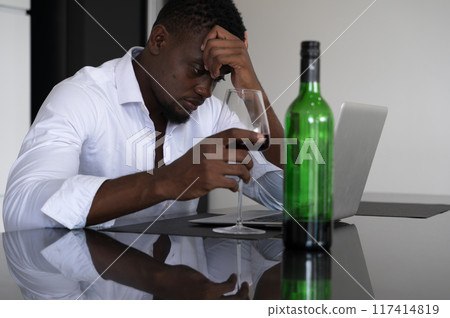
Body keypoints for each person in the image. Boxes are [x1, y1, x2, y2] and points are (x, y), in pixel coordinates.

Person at [3, 0, 284, 231]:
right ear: (159, 40)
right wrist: (165, 181)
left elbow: (290, 195)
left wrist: (250, 85)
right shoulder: (81, 96)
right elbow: (21, 208)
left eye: (217, 79)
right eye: (198, 70)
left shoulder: (211, 114)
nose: (205, 90)